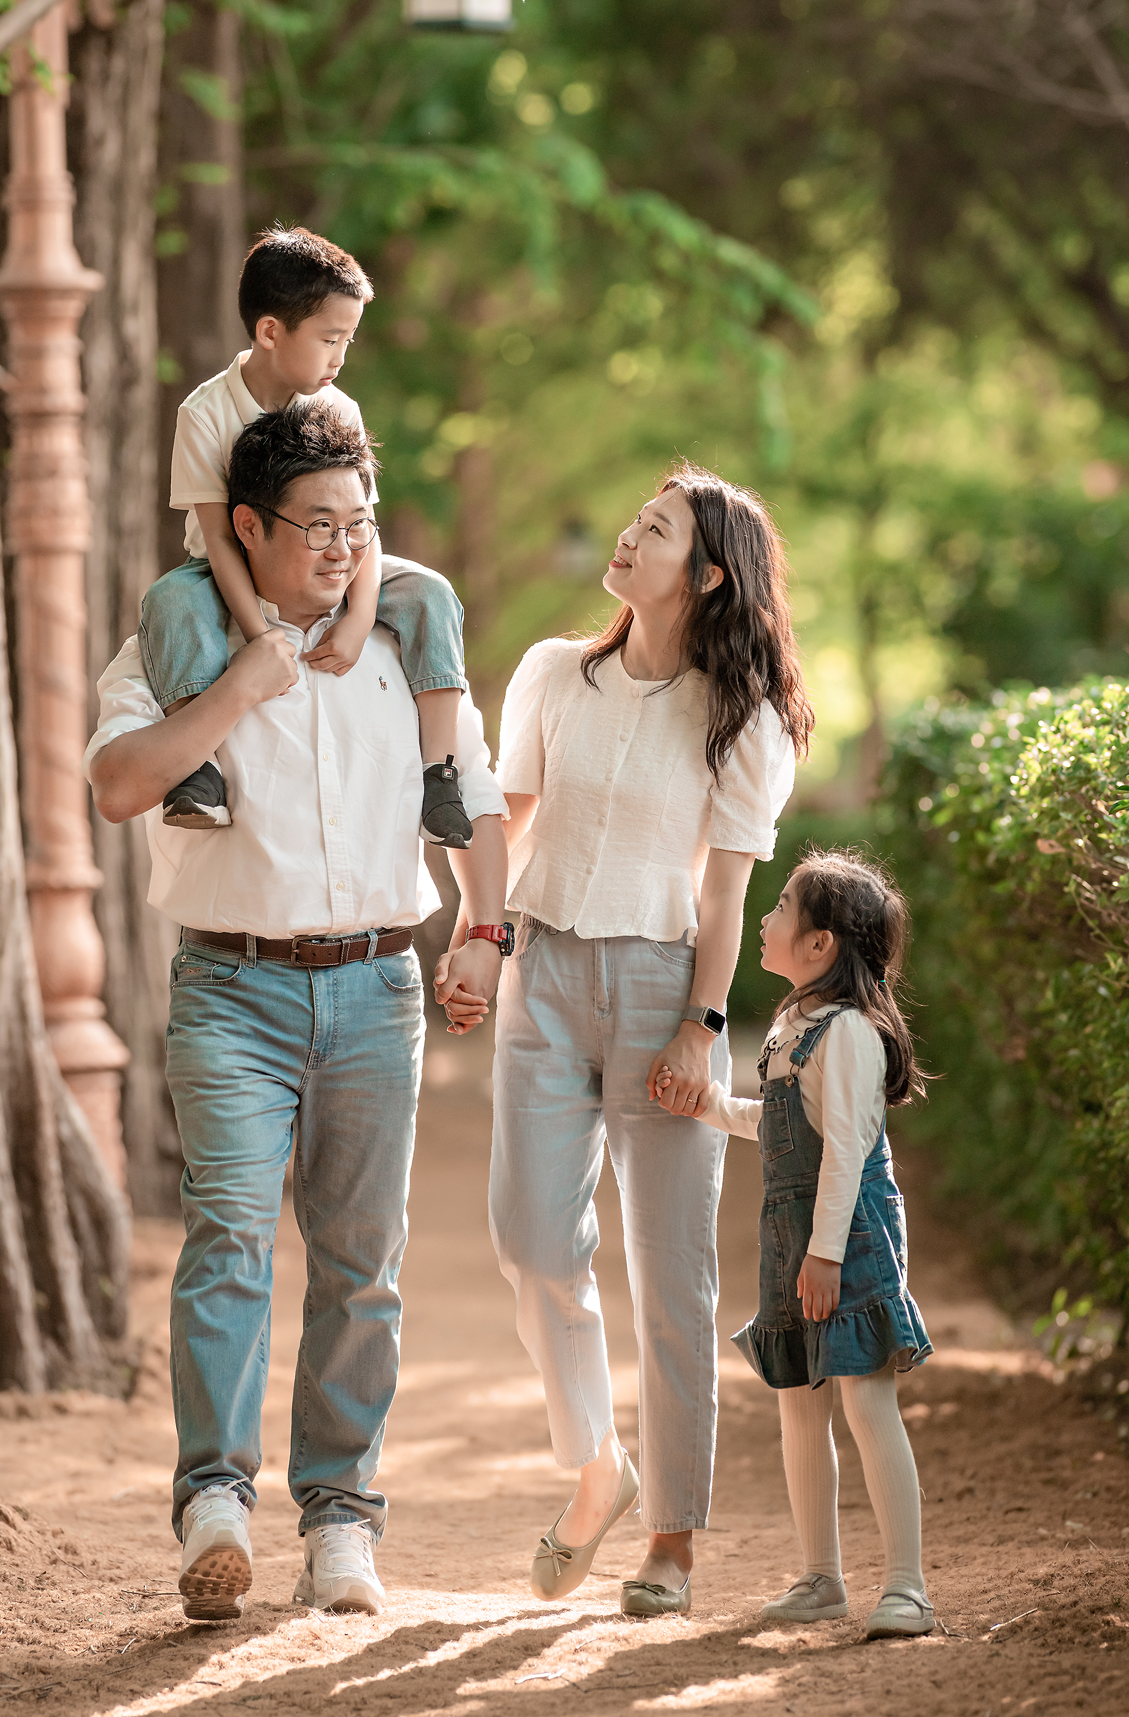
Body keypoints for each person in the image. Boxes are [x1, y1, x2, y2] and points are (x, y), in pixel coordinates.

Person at [84, 398, 509, 1623]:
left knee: (362, 1263)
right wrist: (243, 687)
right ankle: (214, 1500)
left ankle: (341, 1522)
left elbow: (471, 788)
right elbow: (118, 784)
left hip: (380, 986)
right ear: (249, 527)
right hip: (231, 987)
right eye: (316, 526)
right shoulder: (176, 641)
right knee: (227, 1237)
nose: (340, 548)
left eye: (359, 525)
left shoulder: (405, 645)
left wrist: (483, 929)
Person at [437, 462, 813, 1618]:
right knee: (533, 1242)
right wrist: (477, 934)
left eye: (655, 529)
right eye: (634, 518)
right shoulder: (556, 674)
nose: (625, 534)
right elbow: (509, 823)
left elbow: (723, 900)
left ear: (704, 575)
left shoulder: (740, 721)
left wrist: (703, 1029)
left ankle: (674, 1542)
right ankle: (599, 1465)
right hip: (543, 976)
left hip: (663, 995)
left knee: (672, 1279)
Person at [655, 848, 935, 1640]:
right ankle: (821, 1575)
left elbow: (846, 1151)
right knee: (799, 1403)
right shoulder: (792, 1025)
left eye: (780, 906)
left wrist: (826, 1255)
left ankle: (908, 1585)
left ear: (821, 945)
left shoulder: (847, 1032)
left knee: (865, 1397)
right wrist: (707, 1103)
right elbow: (778, 1126)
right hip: (794, 1235)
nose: (765, 917)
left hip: (845, 1235)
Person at [141, 223, 473, 848]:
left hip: (334, 555)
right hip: (229, 567)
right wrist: (263, 638)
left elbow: (362, 527)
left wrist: (359, 616)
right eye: (329, 338)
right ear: (270, 331)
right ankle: (198, 770)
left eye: (347, 338)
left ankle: (440, 775)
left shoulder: (337, 408)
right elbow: (218, 537)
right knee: (171, 601)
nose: (340, 357)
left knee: (430, 593)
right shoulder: (206, 413)